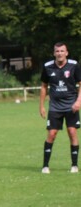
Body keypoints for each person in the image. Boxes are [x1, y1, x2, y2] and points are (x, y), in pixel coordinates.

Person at [39, 42, 81, 174]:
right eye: (57, 51)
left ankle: (74, 165)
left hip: (71, 106)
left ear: (66, 53)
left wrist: (79, 101)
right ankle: (45, 166)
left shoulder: (74, 65)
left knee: (72, 133)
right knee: (52, 134)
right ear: (54, 53)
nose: (59, 53)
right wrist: (41, 106)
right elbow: (44, 86)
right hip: (55, 106)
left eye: (62, 51)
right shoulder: (47, 67)